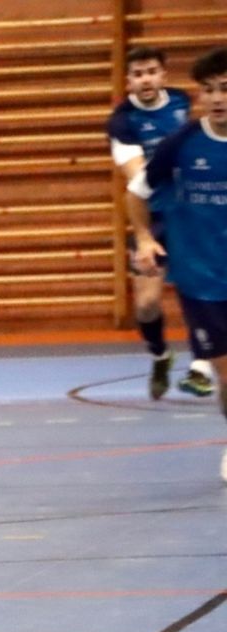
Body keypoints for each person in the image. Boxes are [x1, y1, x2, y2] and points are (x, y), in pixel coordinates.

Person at [130, 47, 227, 483]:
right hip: (202, 280)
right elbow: (136, 192)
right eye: (209, 90)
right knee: (226, 373)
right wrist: (146, 238)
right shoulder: (182, 144)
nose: (217, 98)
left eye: (225, 89)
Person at [109, 47, 215, 399]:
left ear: (163, 76)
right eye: (138, 74)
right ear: (129, 82)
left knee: (203, 287)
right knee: (147, 304)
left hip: (190, 215)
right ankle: (160, 354)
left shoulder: (183, 103)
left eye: (151, 72)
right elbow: (136, 175)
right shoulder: (122, 121)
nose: (146, 79)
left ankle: (201, 366)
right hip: (153, 218)